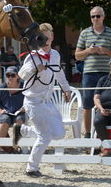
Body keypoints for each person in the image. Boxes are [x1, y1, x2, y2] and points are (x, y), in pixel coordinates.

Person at [13, 23, 71, 177]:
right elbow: (21, 75)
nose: (46, 39)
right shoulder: (33, 56)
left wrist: (66, 89)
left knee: (59, 134)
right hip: (33, 101)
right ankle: (31, 168)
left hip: (47, 101)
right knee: (44, 136)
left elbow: (59, 74)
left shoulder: (55, 55)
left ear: (52, 37)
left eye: (48, 35)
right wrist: (33, 68)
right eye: (42, 36)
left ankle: (23, 130)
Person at [75, 6, 111, 138]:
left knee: (110, 103)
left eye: (98, 16)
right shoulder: (85, 33)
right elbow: (77, 55)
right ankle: (87, 135)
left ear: (103, 17)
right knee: (87, 105)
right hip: (89, 73)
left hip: (108, 74)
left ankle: (106, 134)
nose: (95, 19)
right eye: (93, 16)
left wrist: (105, 51)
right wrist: (89, 51)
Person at [0, 66, 25, 153]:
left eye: (12, 75)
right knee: (5, 118)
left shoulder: (24, 87)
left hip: (18, 112)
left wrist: (25, 108)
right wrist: (0, 111)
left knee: (20, 120)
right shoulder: (2, 87)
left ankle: (15, 145)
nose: (10, 77)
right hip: (3, 112)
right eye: (8, 75)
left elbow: (30, 101)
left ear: (18, 76)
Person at [93, 54, 111, 157]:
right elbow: (96, 97)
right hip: (104, 110)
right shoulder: (103, 80)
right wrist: (101, 108)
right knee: (98, 122)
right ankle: (108, 148)